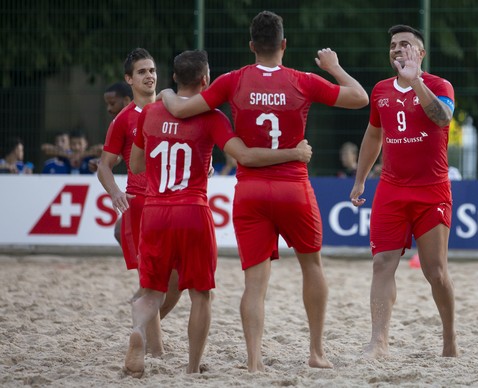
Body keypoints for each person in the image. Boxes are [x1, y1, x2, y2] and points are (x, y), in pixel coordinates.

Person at [158, 10, 368, 372]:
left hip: (251, 191)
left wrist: (163, 91)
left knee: (254, 283)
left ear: (252, 45)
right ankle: (316, 352)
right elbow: (360, 97)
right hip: (294, 188)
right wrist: (333, 66)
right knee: (312, 266)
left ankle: (254, 362)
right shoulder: (303, 80)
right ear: (284, 44)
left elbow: (181, 108)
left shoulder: (232, 81)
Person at [124, 49, 313, 377]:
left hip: (155, 211)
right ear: (206, 79)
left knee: (151, 291)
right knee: (201, 295)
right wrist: (294, 152)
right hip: (193, 211)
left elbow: (136, 164)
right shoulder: (212, 119)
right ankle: (193, 368)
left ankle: (138, 334)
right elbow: (247, 157)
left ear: (173, 78)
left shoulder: (150, 113)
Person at [349, 24, 458, 358]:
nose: (398, 49)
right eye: (394, 45)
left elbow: (441, 119)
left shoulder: (439, 85)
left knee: (435, 271)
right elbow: (372, 136)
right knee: (382, 263)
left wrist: (416, 82)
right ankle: (378, 341)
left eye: (406, 45)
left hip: (432, 190)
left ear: (420, 54)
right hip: (392, 190)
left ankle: (449, 339)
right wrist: (360, 179)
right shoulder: (381, 90)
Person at [97, 48, 181, 358]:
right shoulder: (123, 119)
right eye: (142, 71)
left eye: (152, 70)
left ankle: (140, 325)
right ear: (129, 79)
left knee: (178, 282)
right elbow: (104, 165)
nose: (149, 75)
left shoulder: (174, 108)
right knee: (154, 283)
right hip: (142, 205)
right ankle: (155, 351)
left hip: (175, 202)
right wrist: (115, 193)